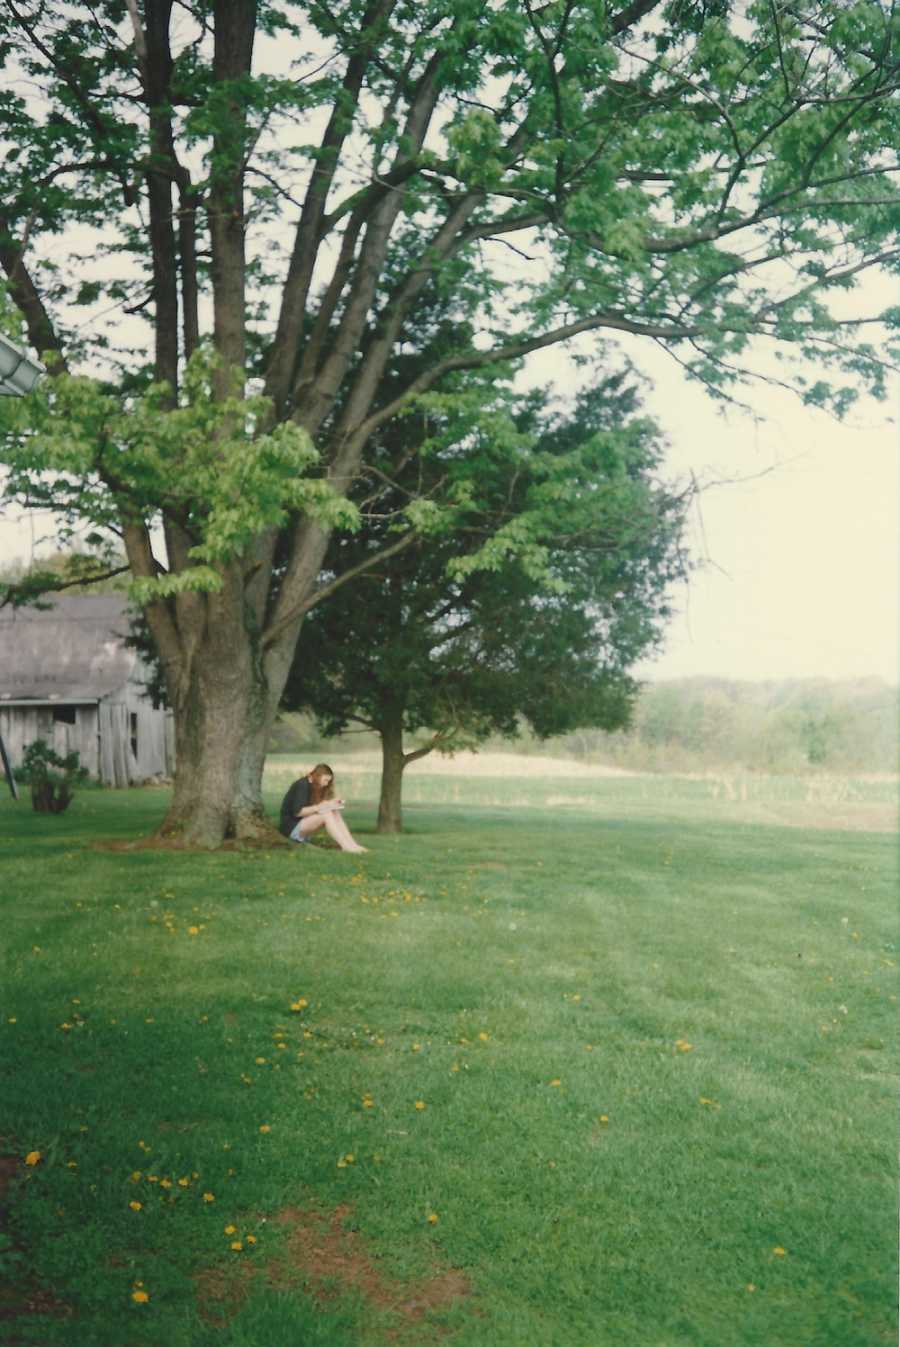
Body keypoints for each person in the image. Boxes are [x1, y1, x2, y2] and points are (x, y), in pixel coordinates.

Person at [278, 763, 368, 853]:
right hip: (291, 828)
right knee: (326, 814)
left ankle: (352, 844)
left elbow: (314, 807)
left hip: (302, 825)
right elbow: (298, 812)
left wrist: (331, 804)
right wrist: (320, 806)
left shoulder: (314, 786)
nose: (326, 784)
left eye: (328, 781)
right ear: (317, 776)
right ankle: (345, 846)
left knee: (334, 811)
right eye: (325, 780)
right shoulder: (302, 785)